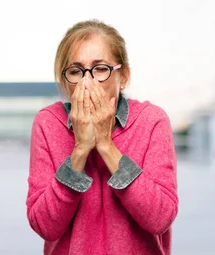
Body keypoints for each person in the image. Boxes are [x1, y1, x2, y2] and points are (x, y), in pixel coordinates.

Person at [26, 19, 179, 255]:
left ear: (124, 76)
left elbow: (160, 218)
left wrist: (106, 145)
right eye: (76, 71)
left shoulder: (151, 120)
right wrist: (80, 150)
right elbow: (44, 225)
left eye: (100, 69)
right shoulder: (48, 123)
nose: (87, 82)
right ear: (66, 81)